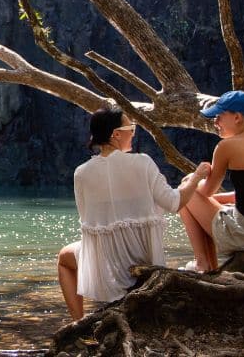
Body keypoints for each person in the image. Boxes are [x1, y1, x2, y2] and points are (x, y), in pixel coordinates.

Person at [57, 107, 211, 321]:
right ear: (116, 134)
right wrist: (196, 177)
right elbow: (175, 202)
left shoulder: (81, 173)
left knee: (64, 258)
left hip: (107, 268)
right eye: (131, 128)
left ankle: (78, 322)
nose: (134, 132)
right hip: (145, 262)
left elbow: (88, 222)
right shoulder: (142, 162)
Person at [178, 90, 244, 272]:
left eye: (219, 116)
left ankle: (203, 263)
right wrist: (215, 202)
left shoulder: (226, 146)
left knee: (186, 188)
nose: (215, 122)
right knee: (195, 192)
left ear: (237, 117)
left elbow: (205, 192)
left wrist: (196, 177)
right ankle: (210, 265)